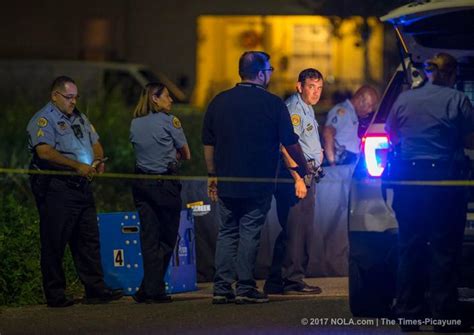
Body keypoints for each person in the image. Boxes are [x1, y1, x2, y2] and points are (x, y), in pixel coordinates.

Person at [202, 51, 308, 305]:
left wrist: (212, 174)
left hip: (227, 180)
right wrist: (303, 167)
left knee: (227, 232)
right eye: (269, 70)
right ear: (260, 74)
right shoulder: (273, 104)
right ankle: (245, 287)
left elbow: (209, 143)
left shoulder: (219, 101)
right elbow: (290, 142)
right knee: (250, 231)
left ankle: (221, 287)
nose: (271, 74)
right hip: (258, 182)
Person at [385, 52, 474, 332]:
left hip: (408, 179)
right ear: (450, 74)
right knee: (444, 248)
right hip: (443, 180)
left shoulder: (404, 99)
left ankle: (409, 312)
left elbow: (391, 133)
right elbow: (471, 138)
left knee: (410, 245)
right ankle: (443, 315)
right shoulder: (457, 99)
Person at [27, 76, 123, 307]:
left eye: (75, 97)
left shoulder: (79, 116)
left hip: (81, 187)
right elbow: (45, 152)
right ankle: (56, 294)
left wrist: (98, 158)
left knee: (88, 239)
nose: (73, 101)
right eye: (69, 97)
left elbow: (95, 140)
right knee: (55, 241)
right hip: (57, 188)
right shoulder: (43, 120)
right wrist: (76, 166)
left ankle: (95, 290)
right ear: (55, 96)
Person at [264, 68, 324, 295]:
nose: (316, 92)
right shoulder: (294, 109)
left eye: (319, 88)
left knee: (293, 229)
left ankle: (276, 280)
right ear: (299, 86)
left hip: (306, 174)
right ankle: (293, 281)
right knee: (297, 231)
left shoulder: (307, 108)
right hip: (294, 177)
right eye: (311, 87)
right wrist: (298, 178)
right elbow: (285, 146)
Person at [130, 82, 191, 304]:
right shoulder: (170, 121)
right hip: (165, 185)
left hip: (141, 183)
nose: (171, 100)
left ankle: (147, 289)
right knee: (166, 238)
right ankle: (153, 290)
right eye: (167, 96)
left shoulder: (135, 123)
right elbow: (186, 154)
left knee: (148, 238)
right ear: (155, 99)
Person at [322, 85, 379, 166]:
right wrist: (332, 163)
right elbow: (327, 133)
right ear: (360, 100)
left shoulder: (353, 113)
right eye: (369, 106)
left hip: (349, 164)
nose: (370, 110)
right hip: (342, 165)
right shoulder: (342, 112)